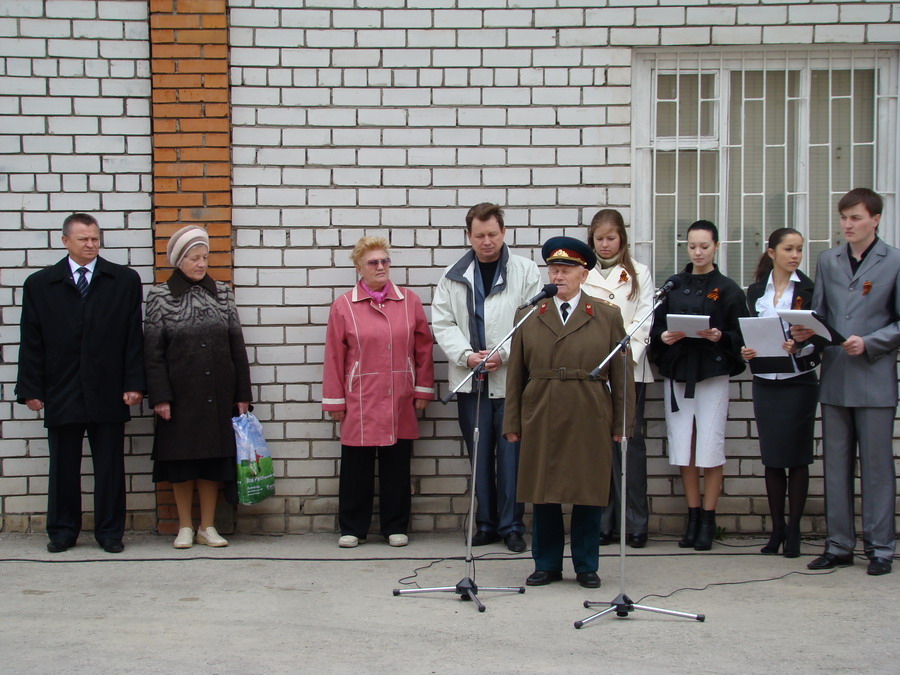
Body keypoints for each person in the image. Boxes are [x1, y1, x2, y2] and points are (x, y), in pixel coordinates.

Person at [503, 236, 634, 588]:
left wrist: (623, 422)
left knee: (587, 491)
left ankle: (586, 565)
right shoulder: (529, 315)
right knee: (542, 490)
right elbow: (515, 373)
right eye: (554, 269)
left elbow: (622, 374)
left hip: (588, 410)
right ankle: (546, 563)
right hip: (542, 408)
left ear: (583, 274)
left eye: (566, 270)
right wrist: (512, 420)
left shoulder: (606, 316)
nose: (558, 276)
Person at [15, 213, 145, 554]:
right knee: (63, 466)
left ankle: (109, 532)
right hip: (62, 388)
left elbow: (134, 337)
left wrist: (134, 383)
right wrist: (30, 389)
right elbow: (31, 339)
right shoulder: (41, 284)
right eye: (83, 239)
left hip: (108, 387)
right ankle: (62, 531)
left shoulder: (123, 280)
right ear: (65, 241)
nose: (90, 244)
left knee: (109, 467)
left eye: (95, 239)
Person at [792, 188, 900, 576]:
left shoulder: (895, 262)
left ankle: (881, 547)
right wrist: (806, 333)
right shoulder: (829, 261)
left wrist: (870, 342)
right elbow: (822, 315)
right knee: (835, 465)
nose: (848, 225)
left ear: (875, 219)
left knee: (876, 467)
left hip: (874, 377)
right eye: (843, 218)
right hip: (836, 376)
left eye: (855, 217)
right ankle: (838, 545)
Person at [432, 203, 542, 553]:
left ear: (504, 233)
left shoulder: (525, 272)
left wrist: (502, 354)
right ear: (469, 236)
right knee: (478, 454)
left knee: (512, 456)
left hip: (511, 382)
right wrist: (467, 356)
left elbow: (533, 321)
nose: (487, 241)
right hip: (470, 381)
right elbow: (443, 323)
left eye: (493, 234)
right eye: (479, 235)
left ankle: (512, 526)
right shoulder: (452, 276)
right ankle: (485, 523)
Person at [144, 226, 252, 549]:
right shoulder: (160, 297)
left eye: (204, 257)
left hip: (218, 394)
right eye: (194, 258)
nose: (201, 263)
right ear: (179, 260)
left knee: (212, 461)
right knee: (182, 463)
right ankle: (185, 527)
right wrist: (160, 396)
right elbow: (152, 352)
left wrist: (242, 394)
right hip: (179, 397)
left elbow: (237, 346)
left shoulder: (222, 292)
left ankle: (208, 525)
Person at [322, 237, 435, 548]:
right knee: (356, 465)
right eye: (373, 262)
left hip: (399, 395)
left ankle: (395, 525)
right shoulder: (343, 306)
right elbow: (333, 355)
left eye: (385, 261)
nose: (381, 267)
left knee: (396, 464)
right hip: (360, 397)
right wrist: (335, 399)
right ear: (359, 267)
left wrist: (423, 389)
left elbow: (424, 348)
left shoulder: (409, 301)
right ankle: (352, 527)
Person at [648, 220, 747, 551]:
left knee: (710, 446)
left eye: (704, 246)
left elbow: (741, 332)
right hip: (679, 372)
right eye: (692, 246)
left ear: (716, 246)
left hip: (711, 374)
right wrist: (663, 336)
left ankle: (708, 517)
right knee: (683, 447)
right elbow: (656, 326)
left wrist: (721, 336)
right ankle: (692, 516)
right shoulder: (674, 285)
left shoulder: (728, 288)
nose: (698, 252)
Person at [740, 228, 821, 558]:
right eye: (789, 249)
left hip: (798, 380)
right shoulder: (757, 290)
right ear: (772, 252)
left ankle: (795, 530)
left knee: (797, 456)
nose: (795, 255)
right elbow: (750, 329)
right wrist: (746, 351)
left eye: (799, 249)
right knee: (772, 457)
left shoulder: (810, 289)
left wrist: (800, 345)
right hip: (765, 379)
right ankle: (776, 531)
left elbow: (821, 336)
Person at [582, 209, 655, 549]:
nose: (606, 245)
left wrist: (623, 361)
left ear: (622, 238)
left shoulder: (639, 273)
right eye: (599, 239)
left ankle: (636, 522)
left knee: (630, 449)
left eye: (611, 238)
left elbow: (644, 322)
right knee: (600, 450)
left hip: (628, 370)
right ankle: (604, 522)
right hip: (595, 374)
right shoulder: (584, 275)